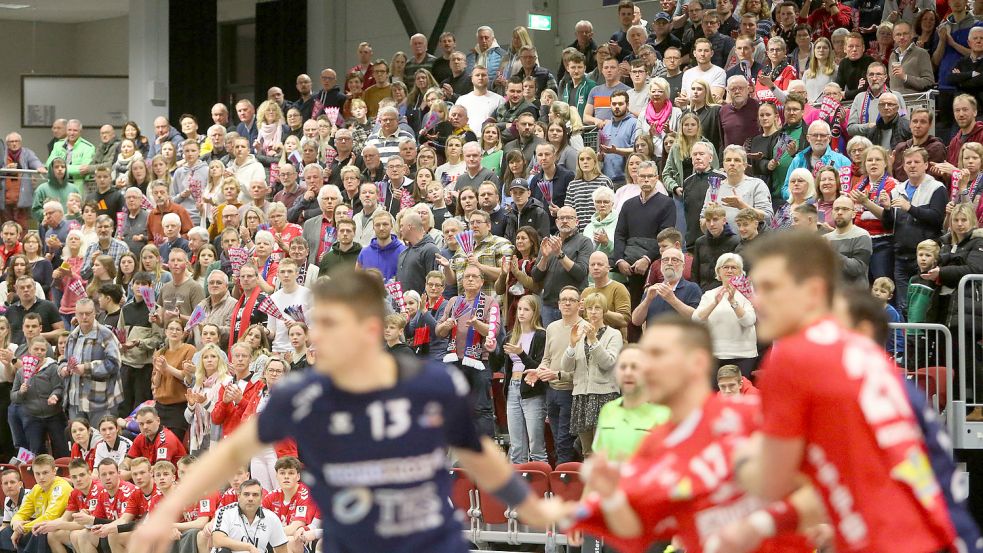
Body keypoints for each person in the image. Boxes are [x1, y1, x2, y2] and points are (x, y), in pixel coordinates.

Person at [738, 230, 957, 552]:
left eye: (770, 288)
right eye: (757, 288)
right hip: (933, 534)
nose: (757, 300)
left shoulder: (795, 357)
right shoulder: (861, 353)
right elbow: (860, 476)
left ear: (812, 291)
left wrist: (723, 448)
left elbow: (769, 480)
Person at [568, 316, 819, 553]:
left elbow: (822, 493)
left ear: (696, 362)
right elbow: (636, 529)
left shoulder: (752, 416)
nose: (646, 368)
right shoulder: (656, 444)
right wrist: (606, 498)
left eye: (658, 355)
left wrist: (759, 525)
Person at [562, 293, 623, 457]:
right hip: (582, 396)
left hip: (604, 396)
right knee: (587, 452)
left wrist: (594, 340)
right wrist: (572, 344)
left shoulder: (614, 334)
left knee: (603, 451)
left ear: (604, 311)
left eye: (597, 308)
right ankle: (590, 483)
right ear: (585, 311)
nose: (593, 312)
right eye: (590, 308)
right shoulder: (579, 333)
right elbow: (566, 366)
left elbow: (608, 363)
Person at [692, 253, 758, 376]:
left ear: (740, 272)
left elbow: (749, 321)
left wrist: (733, 302)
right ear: (719, 271)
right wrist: (714, 303)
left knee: (738, 391)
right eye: (725, 267)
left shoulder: (747, 295)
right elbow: (696, 320)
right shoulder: (709, 295)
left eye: (734, 267)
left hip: (743, 354)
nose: (729, 271)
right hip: (714, 353)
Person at [531, 206, 593, 327]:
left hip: (573, 304)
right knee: (552, 343)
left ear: (577, 222)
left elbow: (581, 273)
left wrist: (559, 254)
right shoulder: (549, 242)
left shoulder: (584, 242)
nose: (565, 221)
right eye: (561, 218)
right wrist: (544, 257)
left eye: (569, 218)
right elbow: (536, 276)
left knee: (573, 342)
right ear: (556, 221)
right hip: (549, 305)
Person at [0, 455, 71, 553]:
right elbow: (21, 513)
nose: (41, 477)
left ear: (54, 471)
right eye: (37, 474)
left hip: (58, 528)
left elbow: (50, 517)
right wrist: (16, 523)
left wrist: (22, 529)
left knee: (39, 531)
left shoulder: (61, 487)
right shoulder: (36, 488)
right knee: (6, 532)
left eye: (45, 473)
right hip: (39, 527)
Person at [46, 120, 95, 192]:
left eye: (75, 130)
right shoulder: (58, 145)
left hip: (76, 188)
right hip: (56, 185)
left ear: (80, 132)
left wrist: (58, 168)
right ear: (66, 131)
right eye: (69, 130)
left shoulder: (88, 147)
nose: (72, 133)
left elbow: (83, 169)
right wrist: (70, 168)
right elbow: (49, 164)